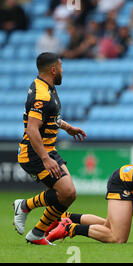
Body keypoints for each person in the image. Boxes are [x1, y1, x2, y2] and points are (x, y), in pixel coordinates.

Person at [13, 52, 87, 245]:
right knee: (68, 192)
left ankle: (37, 233)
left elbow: (49, 117)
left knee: (66, 195)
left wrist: (66, 127)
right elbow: (32, 129)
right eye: (61, 67)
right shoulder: (42, 94)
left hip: (47, 149)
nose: (63, 71)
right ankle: (24, 206)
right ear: (53, 69)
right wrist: (46, 158)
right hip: (35, 153)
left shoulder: (45, 87)